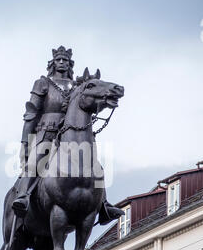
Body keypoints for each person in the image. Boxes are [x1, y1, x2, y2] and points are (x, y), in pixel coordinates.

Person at [12, 46, 123, 225]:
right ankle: (23, 197)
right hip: (46, 132)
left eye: (65, 60)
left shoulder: (77, 86)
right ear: (53, 63)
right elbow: (31, 113)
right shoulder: (43, 83)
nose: (62, 62)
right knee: (36, 161)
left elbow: (87, 104)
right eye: (58, 60)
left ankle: (103, 205)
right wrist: (26, 142)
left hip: (72, 132)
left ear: (70, 64)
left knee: (95, 166)